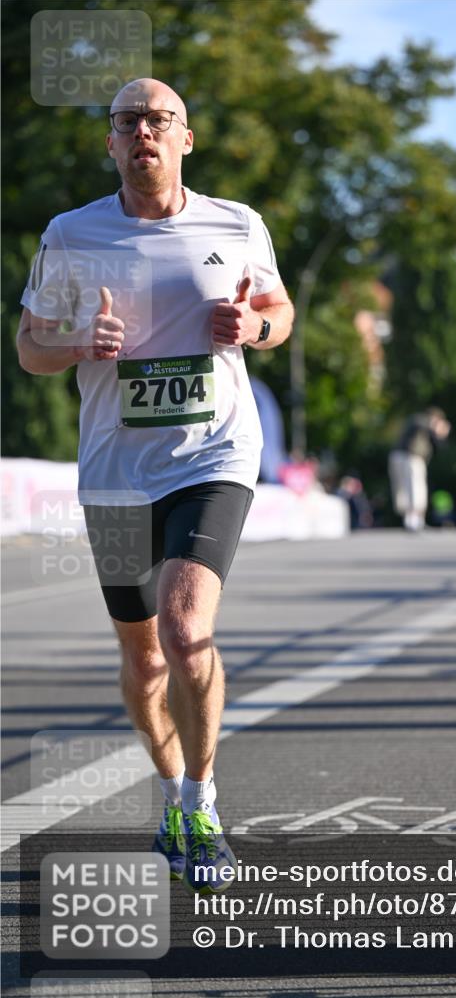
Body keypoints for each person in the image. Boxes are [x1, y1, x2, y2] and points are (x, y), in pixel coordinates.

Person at [16, 78, 294, 894]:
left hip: (213, 454)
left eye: (159, 119)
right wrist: (76, 342)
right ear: (110, 142)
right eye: (127, 120)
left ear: (185, 138)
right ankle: (171, 793)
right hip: (114, 472)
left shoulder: (236, 224)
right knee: (142, 666)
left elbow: (278, 315)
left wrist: (253, 328)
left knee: (184, 633)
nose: (143, 130)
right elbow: (30, 346)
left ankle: (202, 802)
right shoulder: (71, 234)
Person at [389, 408, 450, 531]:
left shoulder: (428, 429)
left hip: (415, 458)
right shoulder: (420, 420)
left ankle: (416, 520)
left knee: (416, 488)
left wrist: (441, 435)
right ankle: (409, 519)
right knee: (403, 489)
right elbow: (418, 425)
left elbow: (439, 446)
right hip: (404, 456)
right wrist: (434, 427)